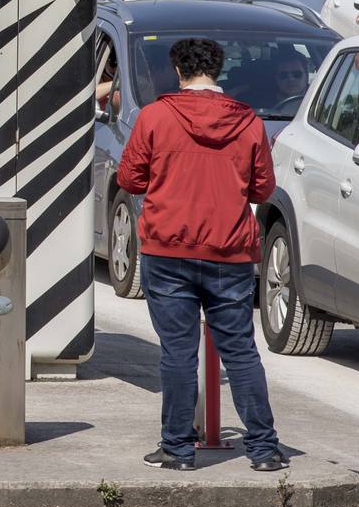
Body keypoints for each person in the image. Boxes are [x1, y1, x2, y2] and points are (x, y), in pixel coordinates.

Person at [116, 37, 285, 473]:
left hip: (167, 248)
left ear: (178, 72)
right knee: (242, 352)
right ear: (218, 71)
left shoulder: (155, 116)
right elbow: (263, 189)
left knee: (177, 353)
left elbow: (130, 179)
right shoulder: (248, 122)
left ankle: (178, 449)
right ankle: (264, 450)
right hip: (229, 251)